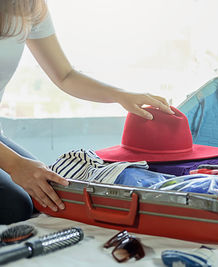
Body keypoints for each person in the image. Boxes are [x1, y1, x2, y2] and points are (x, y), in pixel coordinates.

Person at [0, 0, 174, 224]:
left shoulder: (28, 5)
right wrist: (14, 164)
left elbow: (65, 75)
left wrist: (121, 95)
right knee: (14, 207)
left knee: (46, 194)